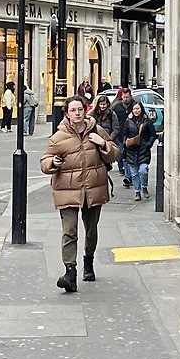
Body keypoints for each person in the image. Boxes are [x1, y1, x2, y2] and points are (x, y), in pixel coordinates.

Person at [41, 95, 119, 294]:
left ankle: (89, 262)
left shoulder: (96, 130)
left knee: (91, 231)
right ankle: (70, 273)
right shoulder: (59, 137)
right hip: (67, 191)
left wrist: (103, 144)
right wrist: (52, 163)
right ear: (67, 114)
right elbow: (45, 161)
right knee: (69, 232)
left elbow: (115, 153)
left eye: (80, 109)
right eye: (73, 110)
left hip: (93, 189)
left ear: (85, 111)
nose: (77, 113)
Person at [122, 99, 157, 201]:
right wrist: (126, 142)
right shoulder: (128, 121)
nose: (136, 111)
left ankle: (144, 187)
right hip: (131, 150)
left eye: (137, 109)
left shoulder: (147, 121)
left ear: (141, 109)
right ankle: (137, 192)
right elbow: (124, 134)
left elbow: (153, 135)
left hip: (143, 150)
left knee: (143, 170)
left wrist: (148, 144)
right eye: (134, 109)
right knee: (134, 174)